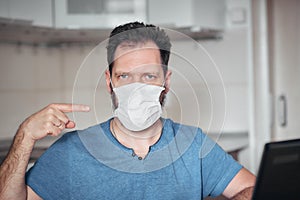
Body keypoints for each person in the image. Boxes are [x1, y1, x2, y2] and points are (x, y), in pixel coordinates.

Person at [0, 22, 255, 200]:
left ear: (166, 82)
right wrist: (25, 136)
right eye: (125, 76)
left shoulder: (192, 145)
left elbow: (253, 188)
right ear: (110, 81)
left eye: (148, 76)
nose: (136, 88)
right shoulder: (72, 151)